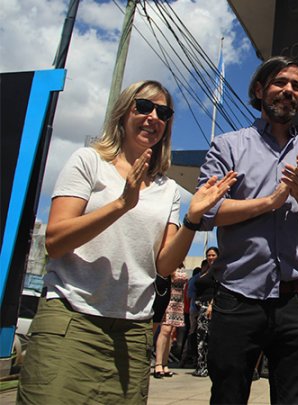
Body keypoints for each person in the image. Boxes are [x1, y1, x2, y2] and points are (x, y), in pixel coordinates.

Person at [16, 80, 236, 404]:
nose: (153, 117)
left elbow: (163, 264)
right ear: (123, 113)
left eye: (163, 112)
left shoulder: (169, 189)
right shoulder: (89, 162)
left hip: (132, 334)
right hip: (71, 319)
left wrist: (193, 219)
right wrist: (121, 204)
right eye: (143, 107)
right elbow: (55, 241)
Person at [197, 55, 298, 404]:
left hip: (297, 302)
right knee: (228, 396)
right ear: (260, 90)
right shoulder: (228, 146)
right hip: (237, 297)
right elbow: (207, 211)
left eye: (296, 86)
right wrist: (269, 203)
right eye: (281, 83)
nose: (289, 91)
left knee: (296, 399)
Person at [153, 266, 189, 378]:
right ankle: (158, 364)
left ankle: (165, 363)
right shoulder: (169, 265)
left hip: (178, 302)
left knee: (171, 332)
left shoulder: (181, 266)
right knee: (165, 330)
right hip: (168, 299)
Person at [192, 256, 216, 377]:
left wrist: (211, 304)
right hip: (200, 307)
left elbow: (217, 289)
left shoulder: (217, 271)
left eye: (213, 255)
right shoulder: (205, 271)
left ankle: (206, 366)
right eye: (209, 255)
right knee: (200, 337)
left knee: (206, 337)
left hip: (209, 307)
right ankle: (201, 365)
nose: (211, 257)